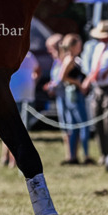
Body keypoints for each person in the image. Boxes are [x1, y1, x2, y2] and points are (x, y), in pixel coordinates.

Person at [81, 19, 108, 164]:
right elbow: (94, 68)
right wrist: (88, 80)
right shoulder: (98, 47)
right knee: (97, 121)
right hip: (97, 88)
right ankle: (103, 153)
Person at [58, 34, 94, 164]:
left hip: (72, 95)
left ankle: (73, 156)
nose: (80, 47)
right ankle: (86, 155)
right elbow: (62, 77)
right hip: (74, 95)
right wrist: (78, 83)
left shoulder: (73, 59)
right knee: (83, 124)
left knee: (74, 126)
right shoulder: (70, 59)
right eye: (78, 45)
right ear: (73, 46)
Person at [1, 50, 40, 168]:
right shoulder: (7, 54)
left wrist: (33, 82)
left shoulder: (29, 55)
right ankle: (8, 158)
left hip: (26, 99)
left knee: (19, 131)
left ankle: (10, 158)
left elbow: (38, 70)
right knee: (11, 129)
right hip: (12, 97)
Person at [43, 33, 73, 163]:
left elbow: (61, 79)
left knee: (70, 126)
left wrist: (52, 86)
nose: (48, 51)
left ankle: (72, 155)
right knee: (64, 127)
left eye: (50, 48)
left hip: (69, 97)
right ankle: (68, 155)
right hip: (60, 97)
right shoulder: (56, 62)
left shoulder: (65, 60)